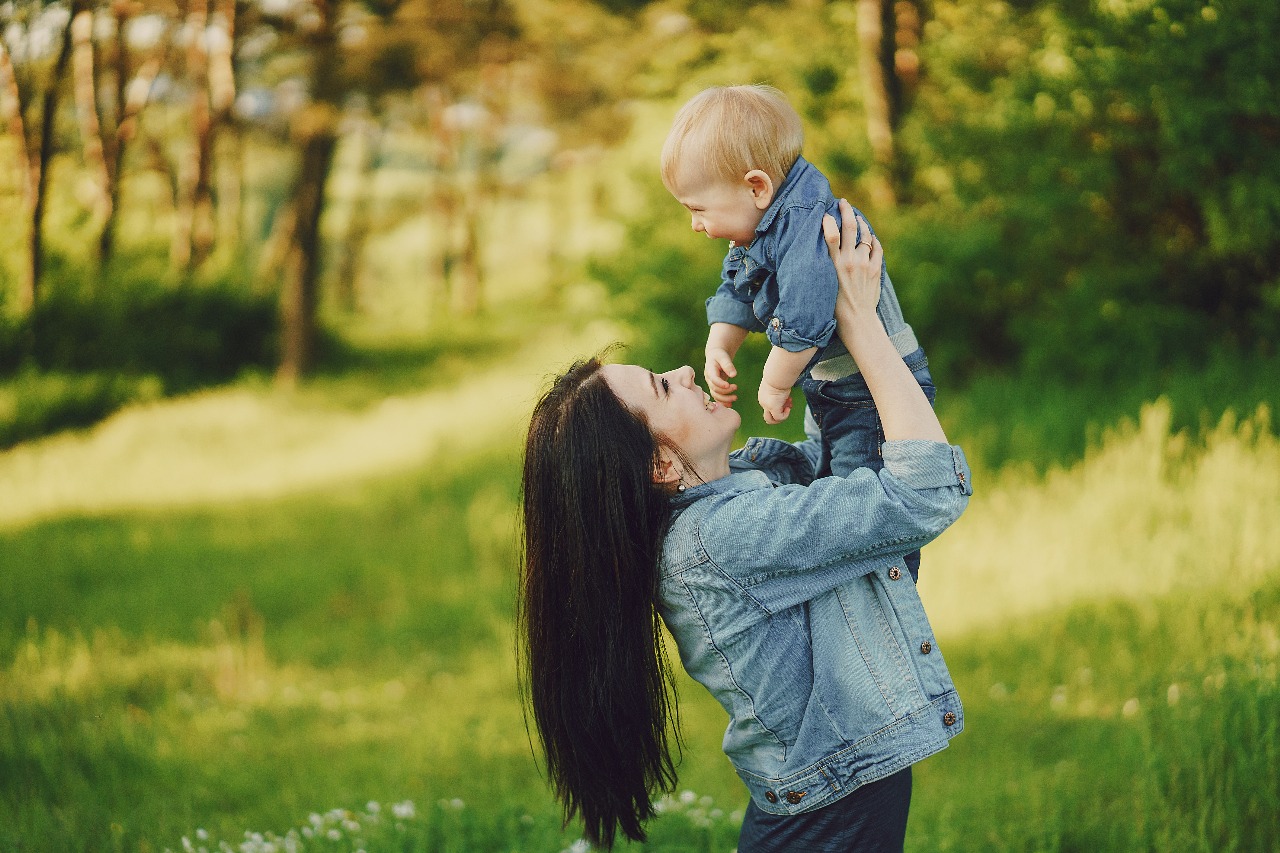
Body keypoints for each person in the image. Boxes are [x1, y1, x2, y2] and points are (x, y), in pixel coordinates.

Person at [519, 201, 972, 851]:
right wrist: (858, 325)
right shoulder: (721, 538)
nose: (681, 372)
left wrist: (822, 297)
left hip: (825, 808)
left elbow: (856, 453)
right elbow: (920, 492)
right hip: (825, 821)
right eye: (663, 387)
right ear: (659, 463)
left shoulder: (732, 500)